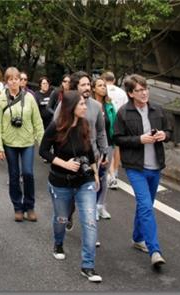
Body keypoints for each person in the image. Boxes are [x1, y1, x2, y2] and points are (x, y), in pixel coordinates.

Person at [39, 90, 102, 283]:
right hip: (60, 181)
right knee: (61, 218)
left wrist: (95, 174)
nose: (85, 107)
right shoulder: (55, 127)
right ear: (71, 107)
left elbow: (90, 152)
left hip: (84, 181)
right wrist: (63, 163)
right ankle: (58, 244)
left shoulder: (84, 124)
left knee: (90, 221)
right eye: (82, 104)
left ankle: (88, 265)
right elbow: (43, 150)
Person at [113, 74, 171, 269]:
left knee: (145, 205)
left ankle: (138, 238)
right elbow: (117, 138)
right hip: (135, 167)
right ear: (131, 93)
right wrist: (139, 139)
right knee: (146, 206)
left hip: (156, 166)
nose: (144, 92)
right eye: (139, 90)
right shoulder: (123, 113)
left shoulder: (157, 110)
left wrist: (165, 135)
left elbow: (170, 131)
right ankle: (155, 250)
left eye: (146, 88)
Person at [53, 71, 107, 231]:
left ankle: (90, 230)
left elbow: (101, 131)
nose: (87, 88)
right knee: (70, 196)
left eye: (88, 84)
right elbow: (56, 126)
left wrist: (104, 152)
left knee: (90, 194)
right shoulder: (66, 104)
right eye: (82, 84)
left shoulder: (97, 106)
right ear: (76, 87)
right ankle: (68, 214)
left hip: (91, 158)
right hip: (70, 159)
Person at [0, 67, 45, 222]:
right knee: (14, 175)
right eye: (10, 79)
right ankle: (17, 207)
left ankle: (29, 206)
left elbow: (38, 121)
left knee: (28, 173)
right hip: (9, 142)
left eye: (16, 78)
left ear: (20, 80)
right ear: (6, 82)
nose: (14, 81)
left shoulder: (29, 97)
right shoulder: (0, 99)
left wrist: (43, 144)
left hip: (27, 141)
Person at [92, 77, 116, 220]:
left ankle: (101, 206)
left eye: (104, 86)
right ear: (94, 88)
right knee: (94, 176)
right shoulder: (90, 105)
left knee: (104, 176)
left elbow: (112, 124)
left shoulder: (109, 105)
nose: (103, 88)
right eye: (100, 85)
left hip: (108, 144)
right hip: (94, 144)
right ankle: (92, 206)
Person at [101, 71, 127, 189]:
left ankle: (107, 172)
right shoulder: (122, 92)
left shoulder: (102, 89)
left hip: (106, 121)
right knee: (116, 148)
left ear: (103, 79)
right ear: (114, 80)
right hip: (119, 122)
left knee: (105, 147)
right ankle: (115, 172)